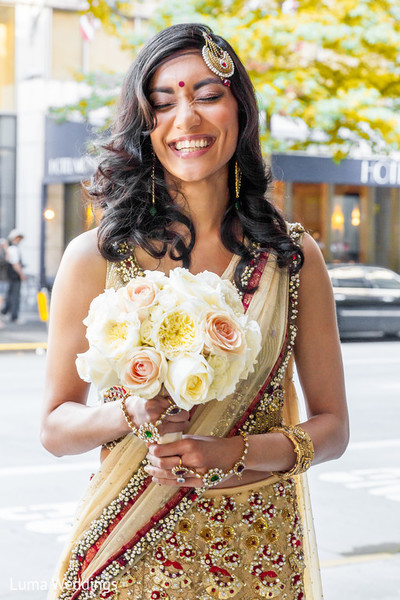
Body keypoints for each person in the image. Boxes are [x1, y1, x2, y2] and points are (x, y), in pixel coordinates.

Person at [41, 23, 349, 600]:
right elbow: (55, 428)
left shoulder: (290, 257)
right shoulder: (97, 257)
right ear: (145, 127)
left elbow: (332, 428)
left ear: (241, 110)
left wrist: (234, 452)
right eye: (162, 104)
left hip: (256, 552)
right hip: (127, 550)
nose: (186, 120)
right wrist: (130, 411)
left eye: (208, 96)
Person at [1, 229, 26, 322]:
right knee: (14, 295)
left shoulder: (10, 249)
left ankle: (5, 311)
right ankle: (13, 316)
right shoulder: (13, 249)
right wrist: (22, 274)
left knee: (9, 294)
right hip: (13, 276)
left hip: (9, 276)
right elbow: (15, 264)